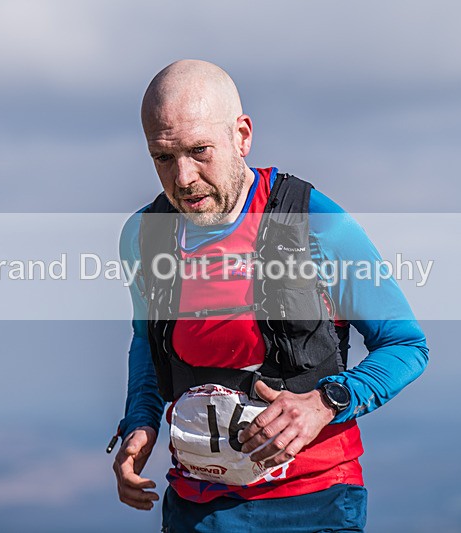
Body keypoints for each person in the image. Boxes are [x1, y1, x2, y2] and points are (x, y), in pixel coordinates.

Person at [111, 59, 429, 532]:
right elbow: (147, 343)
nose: (183, 178)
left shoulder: (316, 222)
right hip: (198, 508)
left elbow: (407, 346)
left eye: (200, 151)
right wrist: (142, 422)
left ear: (242, 135)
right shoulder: (144, 235)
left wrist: (326, 402)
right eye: (163, 157)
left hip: (317, 501)